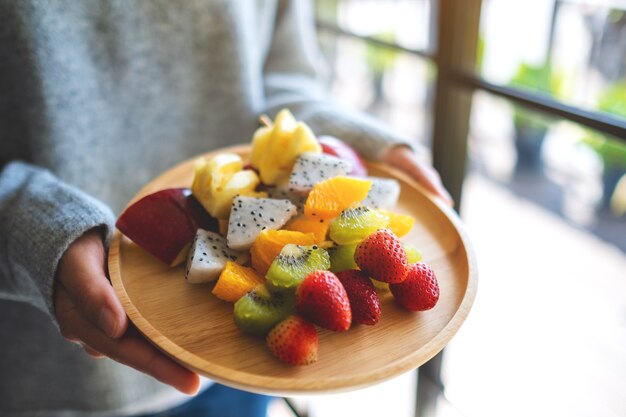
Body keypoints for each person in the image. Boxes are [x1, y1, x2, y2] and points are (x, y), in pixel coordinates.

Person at [0, 1, 452, 416]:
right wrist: (28, 225)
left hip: (243, 367)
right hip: (57, 371)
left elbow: (285, 77)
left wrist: (358, 147)